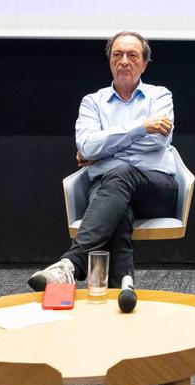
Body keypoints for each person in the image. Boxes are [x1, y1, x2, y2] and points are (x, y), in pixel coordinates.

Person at [29, 31, 177, 314]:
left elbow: (157, 140)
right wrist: (140, 127)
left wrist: (103, 150)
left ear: (144, 64)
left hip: (155, 188)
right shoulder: (92, 102)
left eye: (132, 55)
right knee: (117, 207)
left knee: (119, 174)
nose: (124, 61)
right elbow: (85, 144)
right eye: (117, 55)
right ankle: (124, 287)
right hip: (112, 190)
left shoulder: (160, 95)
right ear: (109, 61)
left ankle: (71, 264)